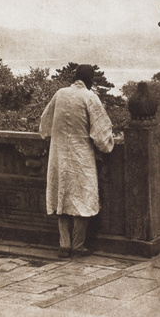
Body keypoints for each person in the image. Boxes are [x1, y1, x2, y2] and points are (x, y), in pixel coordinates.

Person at [39, 64, 114, 258]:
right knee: (82, 199)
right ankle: (78, 245)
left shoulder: (60, 94)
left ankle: (64, 244)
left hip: (58, 155)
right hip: (81, 157)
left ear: (75, 77)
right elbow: (101, 135)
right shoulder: (90, 97)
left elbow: (44, 124)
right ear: (90, 80)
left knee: (61, 198)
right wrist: (107, 146)